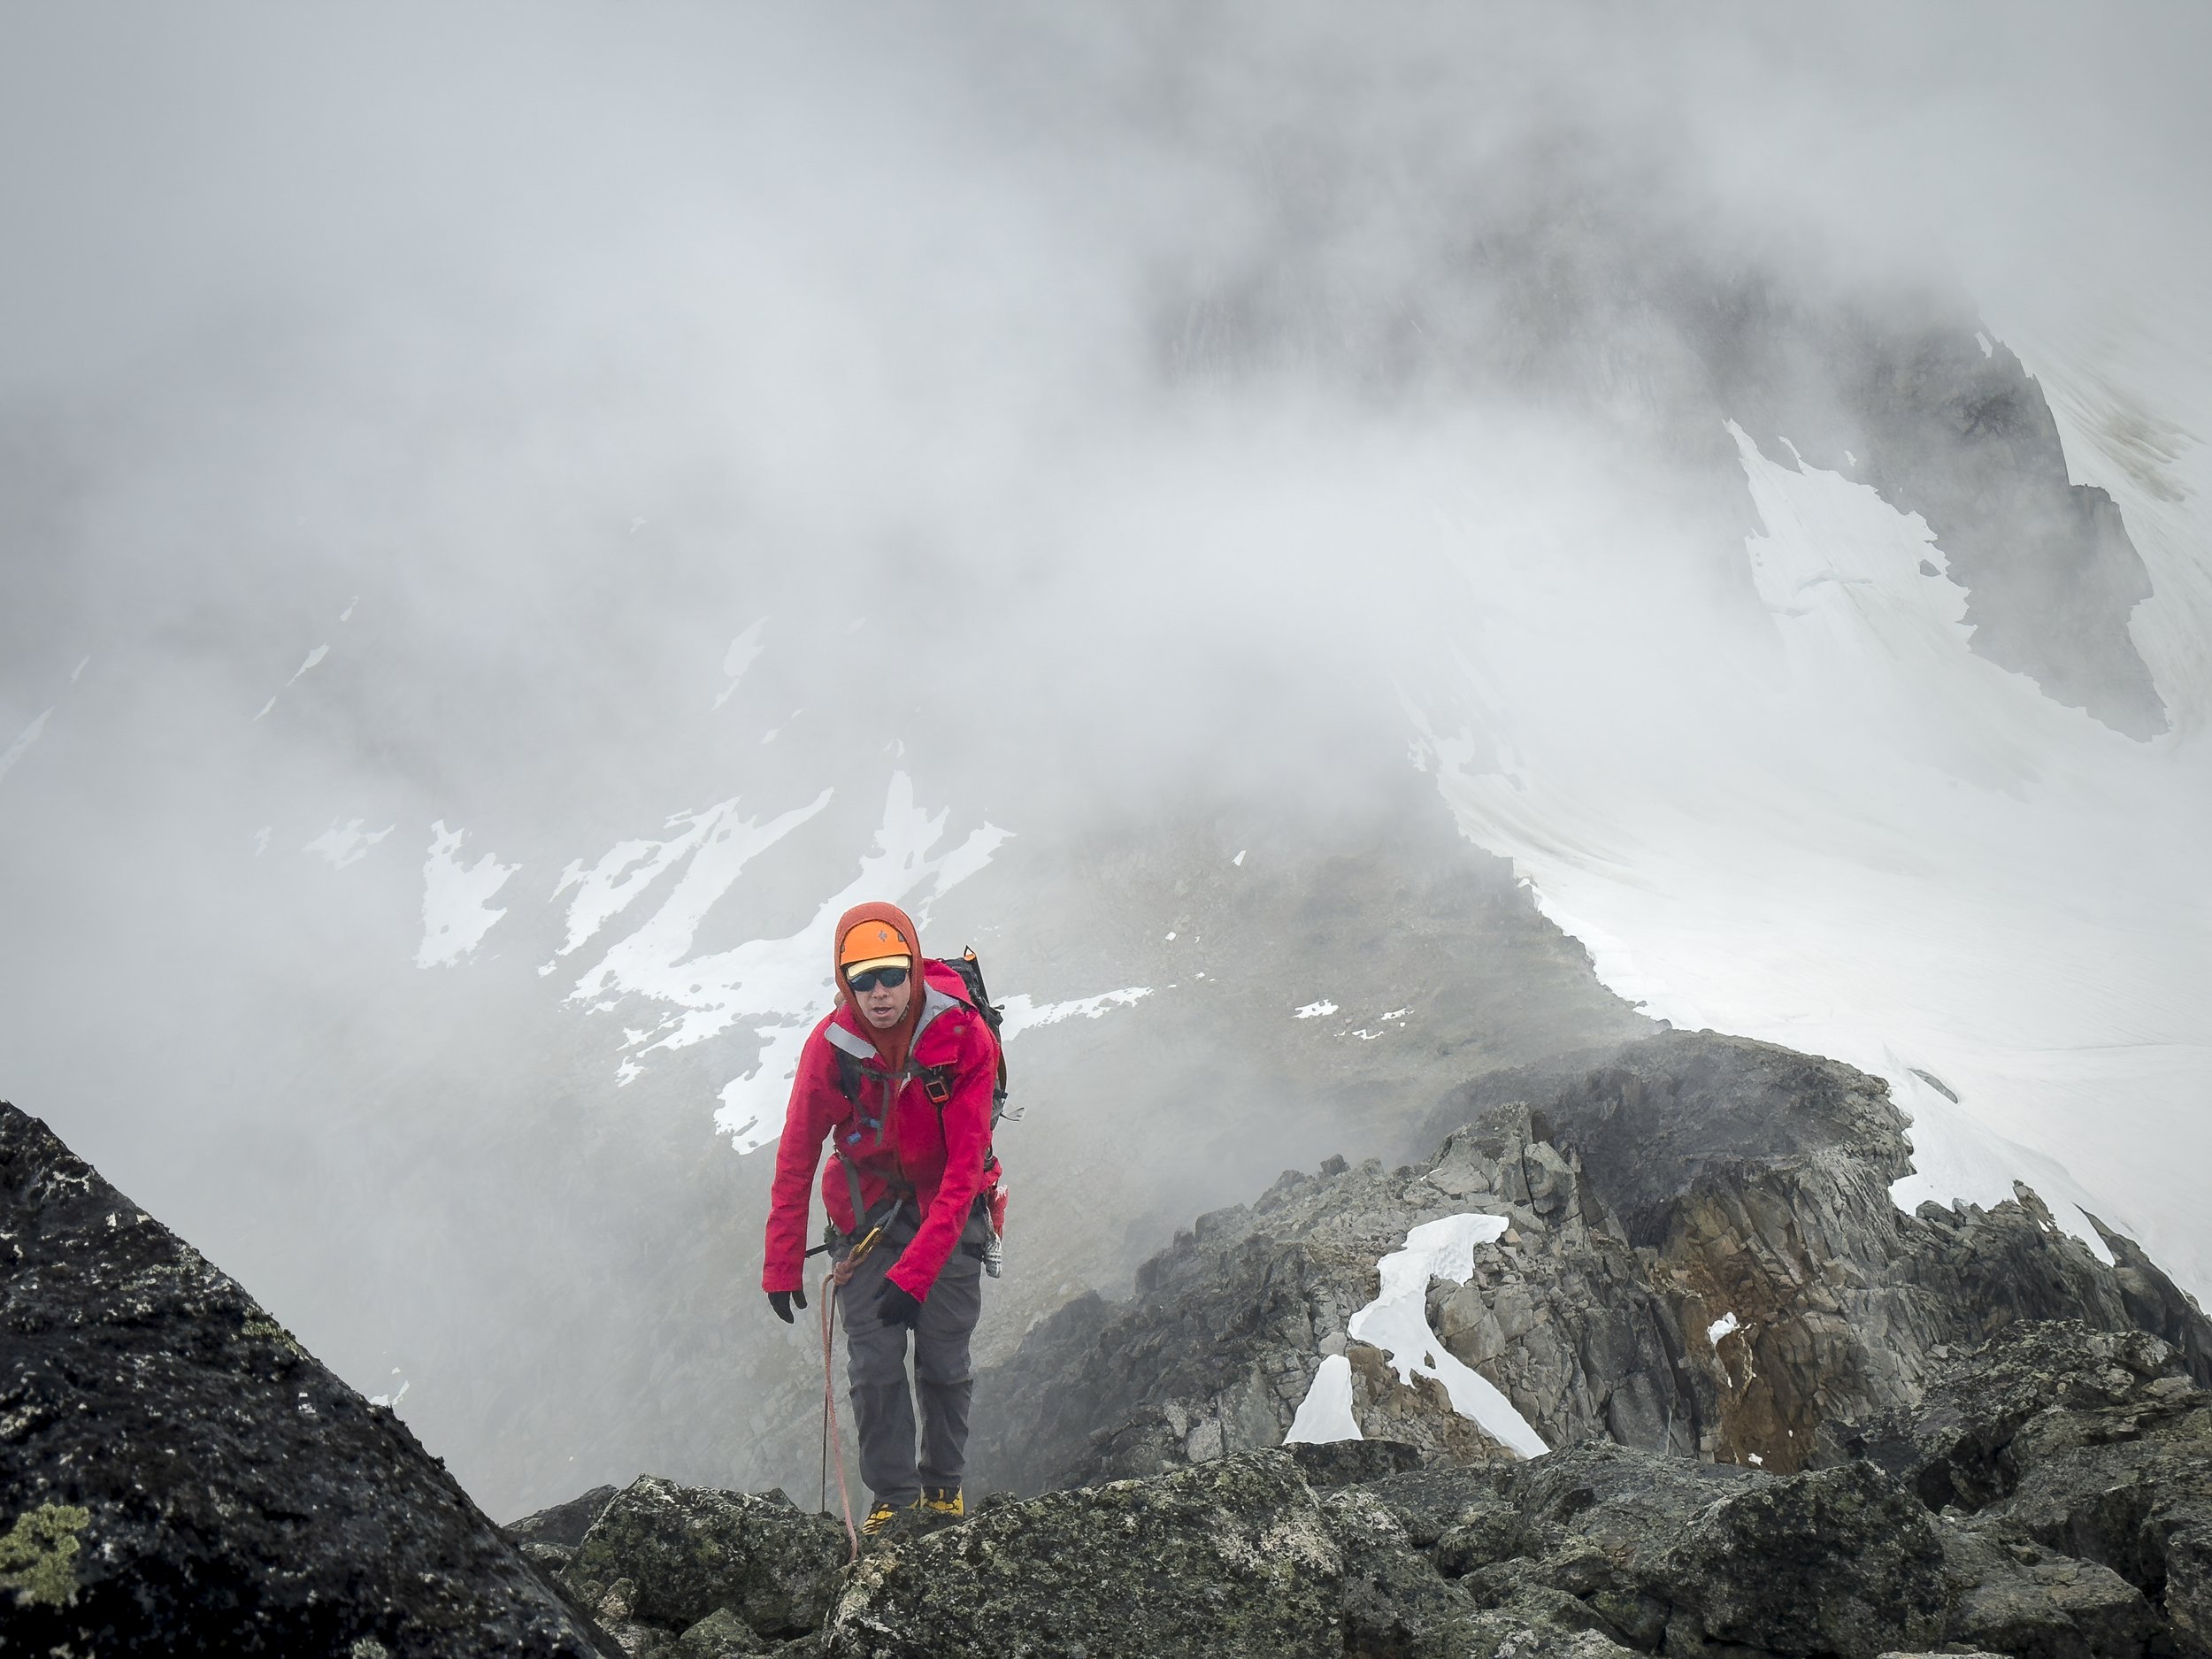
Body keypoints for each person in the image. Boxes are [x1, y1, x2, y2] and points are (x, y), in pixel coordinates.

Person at [760, 901, 1002, 1536]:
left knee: (944, 1362)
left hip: (948, 1214)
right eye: (862, 979)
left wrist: (916, 1272)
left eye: (892, 974)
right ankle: (894, 1497)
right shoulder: (831, 1047)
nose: (880, 992)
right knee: (873, 1366)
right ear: (844, 982)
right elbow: (796, 1154)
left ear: (915, 967)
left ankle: (943, 1490)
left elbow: (965, 1166)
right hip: (865, 1221)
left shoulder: (963, 1035)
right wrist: (781, 1262)